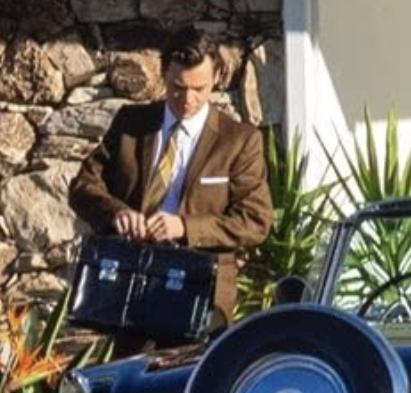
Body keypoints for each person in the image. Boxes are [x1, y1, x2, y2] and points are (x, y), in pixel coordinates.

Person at [69, 27, 273, 333]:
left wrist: (185, 227)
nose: (188, 99)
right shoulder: (131, 123)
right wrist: (117, 213)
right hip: (127, 285)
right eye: (178, 87)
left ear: (216, 78)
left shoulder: (239, 141)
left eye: (199, 89)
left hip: (199, 292)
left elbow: (256, 221)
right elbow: (83, 188)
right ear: (164, 74)